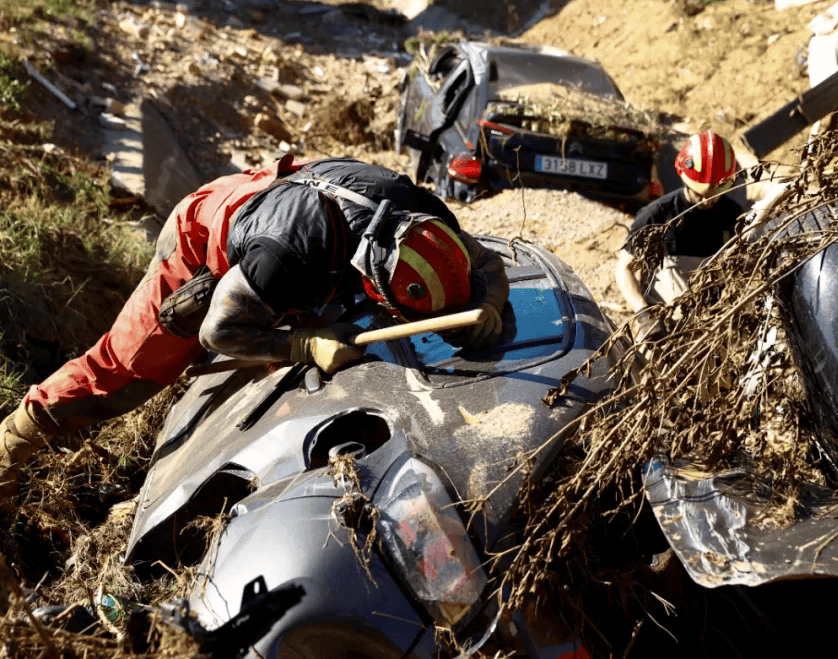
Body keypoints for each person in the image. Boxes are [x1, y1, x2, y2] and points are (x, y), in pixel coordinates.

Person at [0, 156, 509, 509]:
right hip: (207, 237)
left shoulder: (424, 221)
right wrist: (302, 344)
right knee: (126, 373)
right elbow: (218, 333)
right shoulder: (286, 257)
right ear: (373, 280)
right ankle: (9, 444)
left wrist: (486, 302)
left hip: (286, 208)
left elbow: (488, 262)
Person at [615, 131, 744, 320]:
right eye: (700, 193)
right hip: (664, 324)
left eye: (716, 192)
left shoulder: (733, 215)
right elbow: (624, 269)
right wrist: (642, 312)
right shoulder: (657, 214)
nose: (708, 200)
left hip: (714, 324)